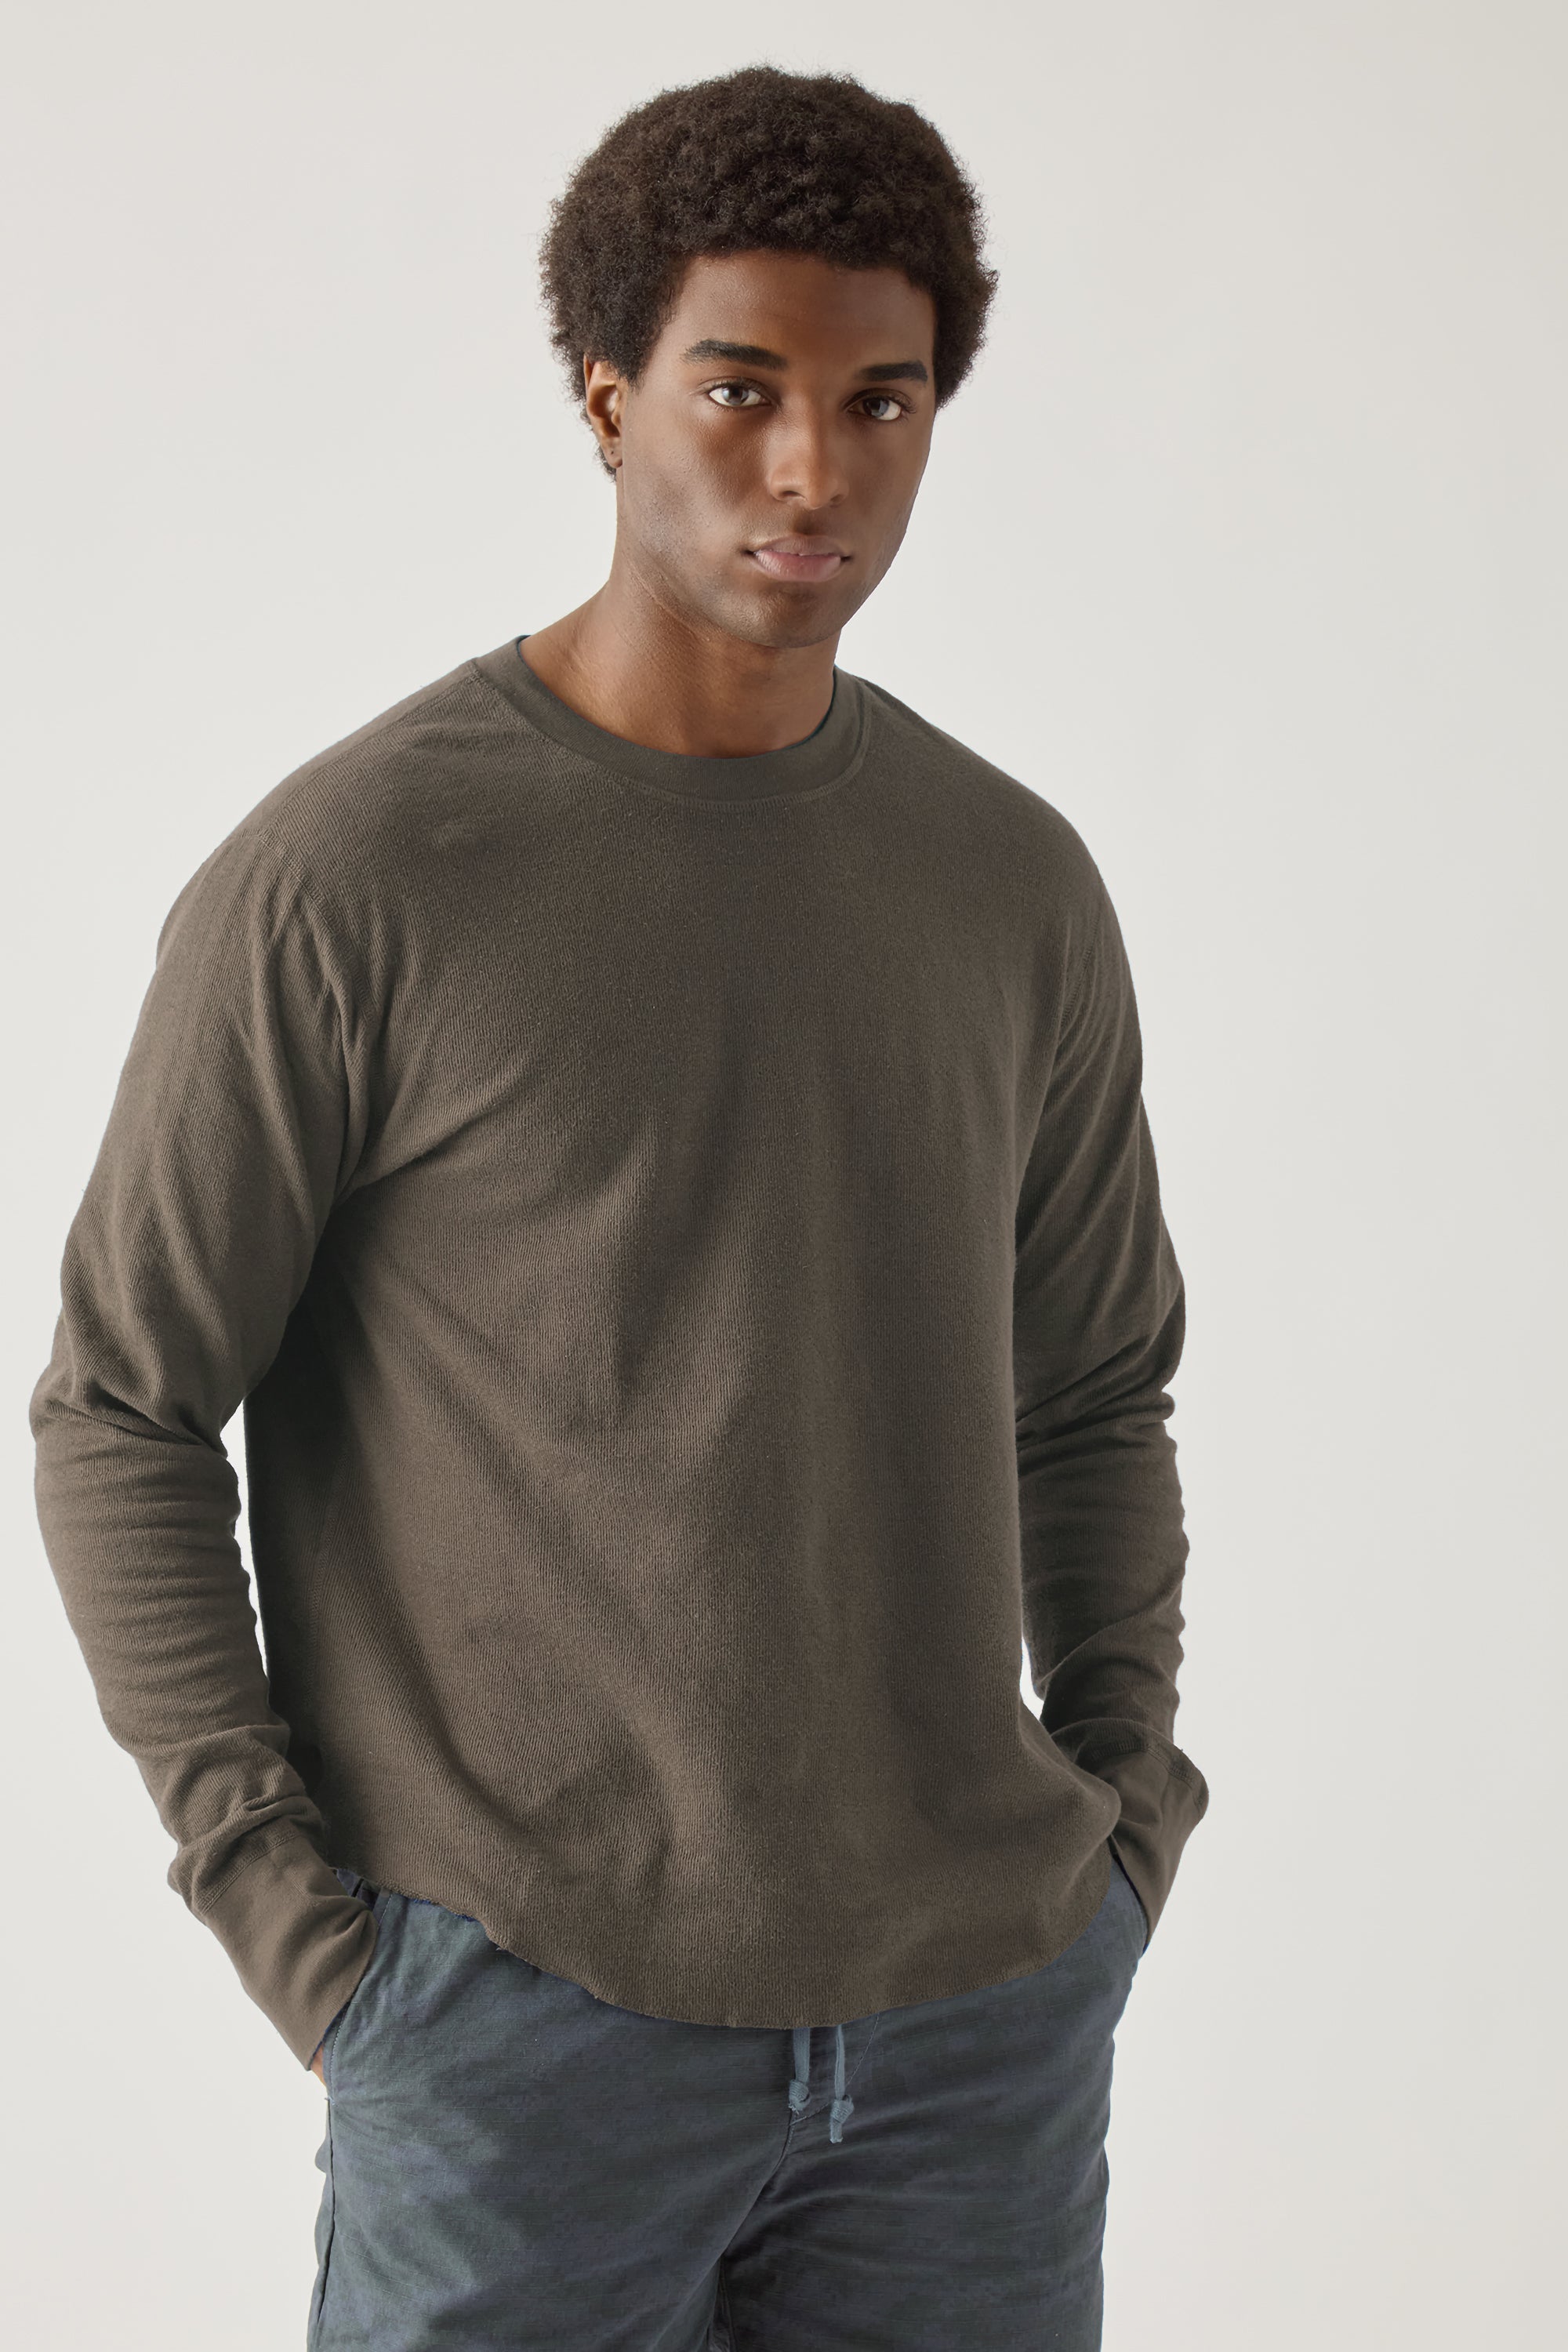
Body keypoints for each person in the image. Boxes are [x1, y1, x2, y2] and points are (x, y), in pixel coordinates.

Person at [31, 62, 1207, 2352]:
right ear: (605, 397)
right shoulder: (359, 874)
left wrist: (1117, 1831)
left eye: (882, 402)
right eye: (740, 389)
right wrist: (308, 1939)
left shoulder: (1010, 884)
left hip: (978, 2035)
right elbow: (122, 1415)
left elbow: (1096, 1394)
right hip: (518, 2032)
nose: (814, 469)